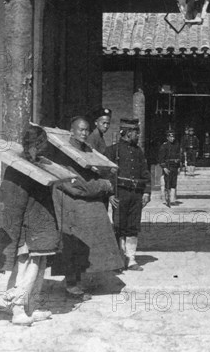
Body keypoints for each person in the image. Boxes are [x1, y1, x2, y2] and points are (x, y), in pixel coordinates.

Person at [0, 126, 60, 326]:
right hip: (27, 230)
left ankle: (32, 306)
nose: (45, 147)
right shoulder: (18, 169)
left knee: (38, 268)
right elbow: (10, 205)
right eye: (42, 143)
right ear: (34, 144)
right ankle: (17, 309)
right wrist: (13, 238)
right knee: (25, 269)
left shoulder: (41, 166)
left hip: (41, 227)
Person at [51, 116, 123, 298]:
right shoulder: (63, 154)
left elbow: (91, 176)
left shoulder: (85, 150)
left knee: (88, 243)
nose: (83, 133)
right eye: (80, 130)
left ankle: (80, 279)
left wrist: (104, 177)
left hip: (82, 205)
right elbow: (78, 187)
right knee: (72, 245)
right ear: (72, 130)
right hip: (70, 207)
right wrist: (105, 185)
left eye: (86, 130)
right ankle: (71, 285)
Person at [105, 119, 151, 271]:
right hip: (120, 194)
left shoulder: (138, 152)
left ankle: (131, 259)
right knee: (119, 226)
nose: (138, 135)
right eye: (135, 132)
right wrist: (110, 194)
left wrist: (146, 191)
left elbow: (145, 172)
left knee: (133, 227)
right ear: (127, 132)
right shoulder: (113, 151)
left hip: (136, 195)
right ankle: (118, 259)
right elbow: (106, 174)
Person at [158, 129, 181, 206]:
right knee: (167, 183)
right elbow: (161, 158)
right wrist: (164, 167)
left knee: (173, 183)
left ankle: (172, 199)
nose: (172, 138)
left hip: (174, 166)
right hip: (167, 166)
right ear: (167, 137)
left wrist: (179, 166)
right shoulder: (164, 146)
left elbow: (179, 156)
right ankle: (166, 199)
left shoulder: (176, 145)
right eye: (170, 137)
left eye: (173, 137)